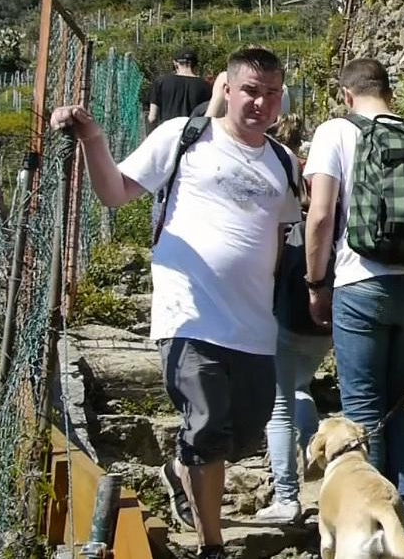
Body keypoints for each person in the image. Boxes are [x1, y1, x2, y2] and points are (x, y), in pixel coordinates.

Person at [51, 48, 301, 559]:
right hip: (190, 315)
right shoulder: (185, 137)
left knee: (244, 435)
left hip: (254, 326)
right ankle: (213, 546)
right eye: (251, 90)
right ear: (226, 90)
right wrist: (94, 140)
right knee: (207, 428)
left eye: (271, 93)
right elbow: (116, 193)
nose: (260, 102)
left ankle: (178, 469)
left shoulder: (283, 161)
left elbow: (281, 239)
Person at [303, 57, 404, 537]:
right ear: (387, 91)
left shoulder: (336, 132)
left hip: (362, 282)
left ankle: (368, 529)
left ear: (347, 95)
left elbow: (320, 216)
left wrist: (316, 284)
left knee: (361, 412)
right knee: (396, 401)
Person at [255, 112, 332, 524]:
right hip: (326, 326)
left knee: (279, 405)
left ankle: (287, 495)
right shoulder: (335, 214)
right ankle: (313, 461)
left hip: (288, 317)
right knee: (301, 387)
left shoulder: (285, 221)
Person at [148, 47, 212, 128]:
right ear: (196, 64)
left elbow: (152, 118)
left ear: (175, 63)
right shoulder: (206, 85)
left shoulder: (161, 82)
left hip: (168, 134)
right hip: (193, 135)